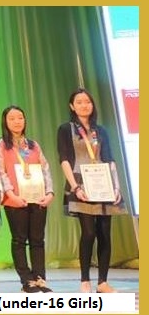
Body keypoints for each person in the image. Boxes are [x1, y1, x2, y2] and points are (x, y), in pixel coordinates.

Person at [57, 88, 126, 293]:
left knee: (105, 233)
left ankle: (102, 282)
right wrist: (74, 187)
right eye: (79, 102)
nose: (84, 105)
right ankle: (85, 280)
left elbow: (109, 158)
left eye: (87, 101)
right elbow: (64, 159)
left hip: (104, 183)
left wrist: (116, 186)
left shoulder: (101, 130)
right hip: (81, 183)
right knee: (88, 232)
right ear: (72, 106)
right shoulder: (66, 129)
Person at [0, 106, 54, 293]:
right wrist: (11, 195)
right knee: (19, 240)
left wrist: (49, 193)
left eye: (20, 117)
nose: (17, 122)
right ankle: (26, 280)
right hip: (15, 200)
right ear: (5, 122)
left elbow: (45, 169)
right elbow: (1, 172)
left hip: (38, 199)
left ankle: (40, 278)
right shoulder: (0, 146)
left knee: (38, 240)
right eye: (12, 118)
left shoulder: (33, 145)